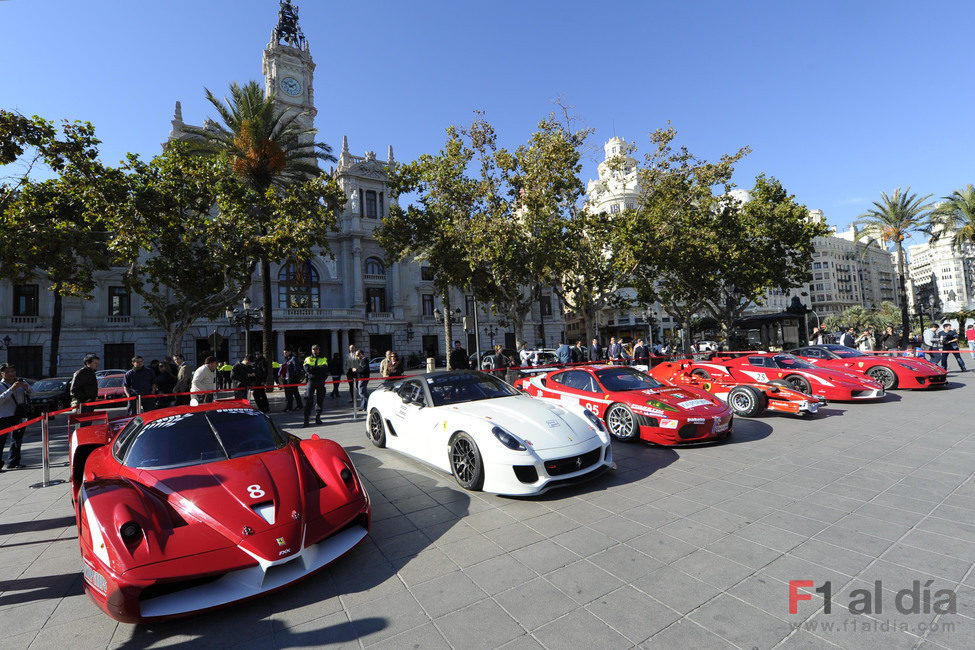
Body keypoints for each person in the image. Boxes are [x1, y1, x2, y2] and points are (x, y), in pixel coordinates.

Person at [0, 363, 32, 470]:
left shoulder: (21, 382)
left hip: (19, 414)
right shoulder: (1, 386)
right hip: (4, 416)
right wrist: (11, 389)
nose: (11, 374)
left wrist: (27, 388)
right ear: (2, 374)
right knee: (1, 441)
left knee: (17, 439)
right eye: (7, 372)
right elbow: (1, 399)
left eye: (12, 371)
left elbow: (34, 393)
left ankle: (13, 462)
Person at [303, 345, 329, 426]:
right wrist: (318, 368)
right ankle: (306, 420)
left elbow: (324, 369)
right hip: (311, 381)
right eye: (313, 349)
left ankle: (318, 417)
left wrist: (313, 369)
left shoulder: (323, 358)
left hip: (320, 381)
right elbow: (307, 369)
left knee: (320, 399)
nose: (315, 350)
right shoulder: (308, 359)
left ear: (319, 350)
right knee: (308, 399)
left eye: (316, 349)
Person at [279, 347, 304, 412]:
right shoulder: (287, 359)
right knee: (294, 393)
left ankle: (289, 407)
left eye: (286, 352)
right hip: (287, 379)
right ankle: (299, 405)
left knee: (290, 394)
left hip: (291, 380)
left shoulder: (293, 359)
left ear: (289, 352)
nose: (284, 354)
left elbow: (297, 369)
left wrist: (293, 377)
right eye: (284, 353)